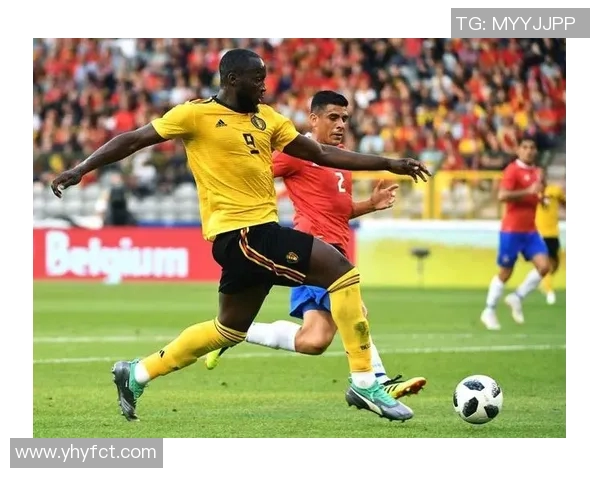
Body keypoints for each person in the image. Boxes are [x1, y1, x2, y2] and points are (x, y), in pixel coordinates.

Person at [50, 48, 431, 422]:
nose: (265, 86)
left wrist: (390, 163)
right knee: (342, 273)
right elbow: (133, 139)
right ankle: (366, 382)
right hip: (243, 233)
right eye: (258, 79)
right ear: (233, 80)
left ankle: (137, 373)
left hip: (252, 237)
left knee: (227, 330)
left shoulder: (268, 119)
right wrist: (82, 168)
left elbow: (322, 154)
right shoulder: (194, 114)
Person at [205, 91, 427, 400]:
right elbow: (253, 174)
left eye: (345, 119)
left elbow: (338, 210)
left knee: (314, 340)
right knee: (355, 309)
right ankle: (377, 379)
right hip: (314, 252)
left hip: (336, 250)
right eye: (333, 117)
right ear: (313, 119)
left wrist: (370, 204)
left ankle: (233, 333)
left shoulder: (340, 159)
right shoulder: (295, 152)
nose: (340, 125)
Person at [480, 137, 551, 330]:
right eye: (525, 147)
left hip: (530, 231)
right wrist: (528, 191)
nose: (529, 150)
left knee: (545, 266)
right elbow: (502, 195)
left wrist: (542, 199)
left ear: (536, 151)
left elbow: (538, 193)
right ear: (518, 150)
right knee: (505, 272)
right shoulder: (512, 170)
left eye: (532, 147)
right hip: (511, 230)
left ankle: (517, 297)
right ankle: (489, 310)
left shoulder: (538, 172)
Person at [535, 174, 566, 305]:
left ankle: (541, 280)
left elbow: (564, 201)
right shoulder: (532, 194)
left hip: (553, 232)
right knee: (546, 263)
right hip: (540, 233)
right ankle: (549, 291)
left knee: (555, 264)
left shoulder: (554, 191)